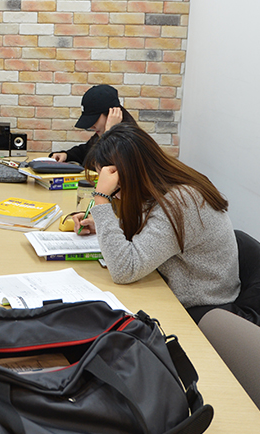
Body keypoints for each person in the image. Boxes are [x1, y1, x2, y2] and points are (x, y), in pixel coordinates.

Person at [74, 123, 240, 309]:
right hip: (178, 293)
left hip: (201, 307)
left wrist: (101, 198)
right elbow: (153, 229)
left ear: (128, 175)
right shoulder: (162, 186)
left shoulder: (181, 201)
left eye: (113, 187)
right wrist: (108, 224)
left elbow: (125, 270)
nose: (116, 195)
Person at [49, 84, 137, 164]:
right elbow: (86, 151)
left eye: (94, 119)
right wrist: (66, 155)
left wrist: (109, 133)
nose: (91, 126)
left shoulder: (130, 142)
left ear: (111, 113)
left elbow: (103, 164)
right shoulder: (100, 135)